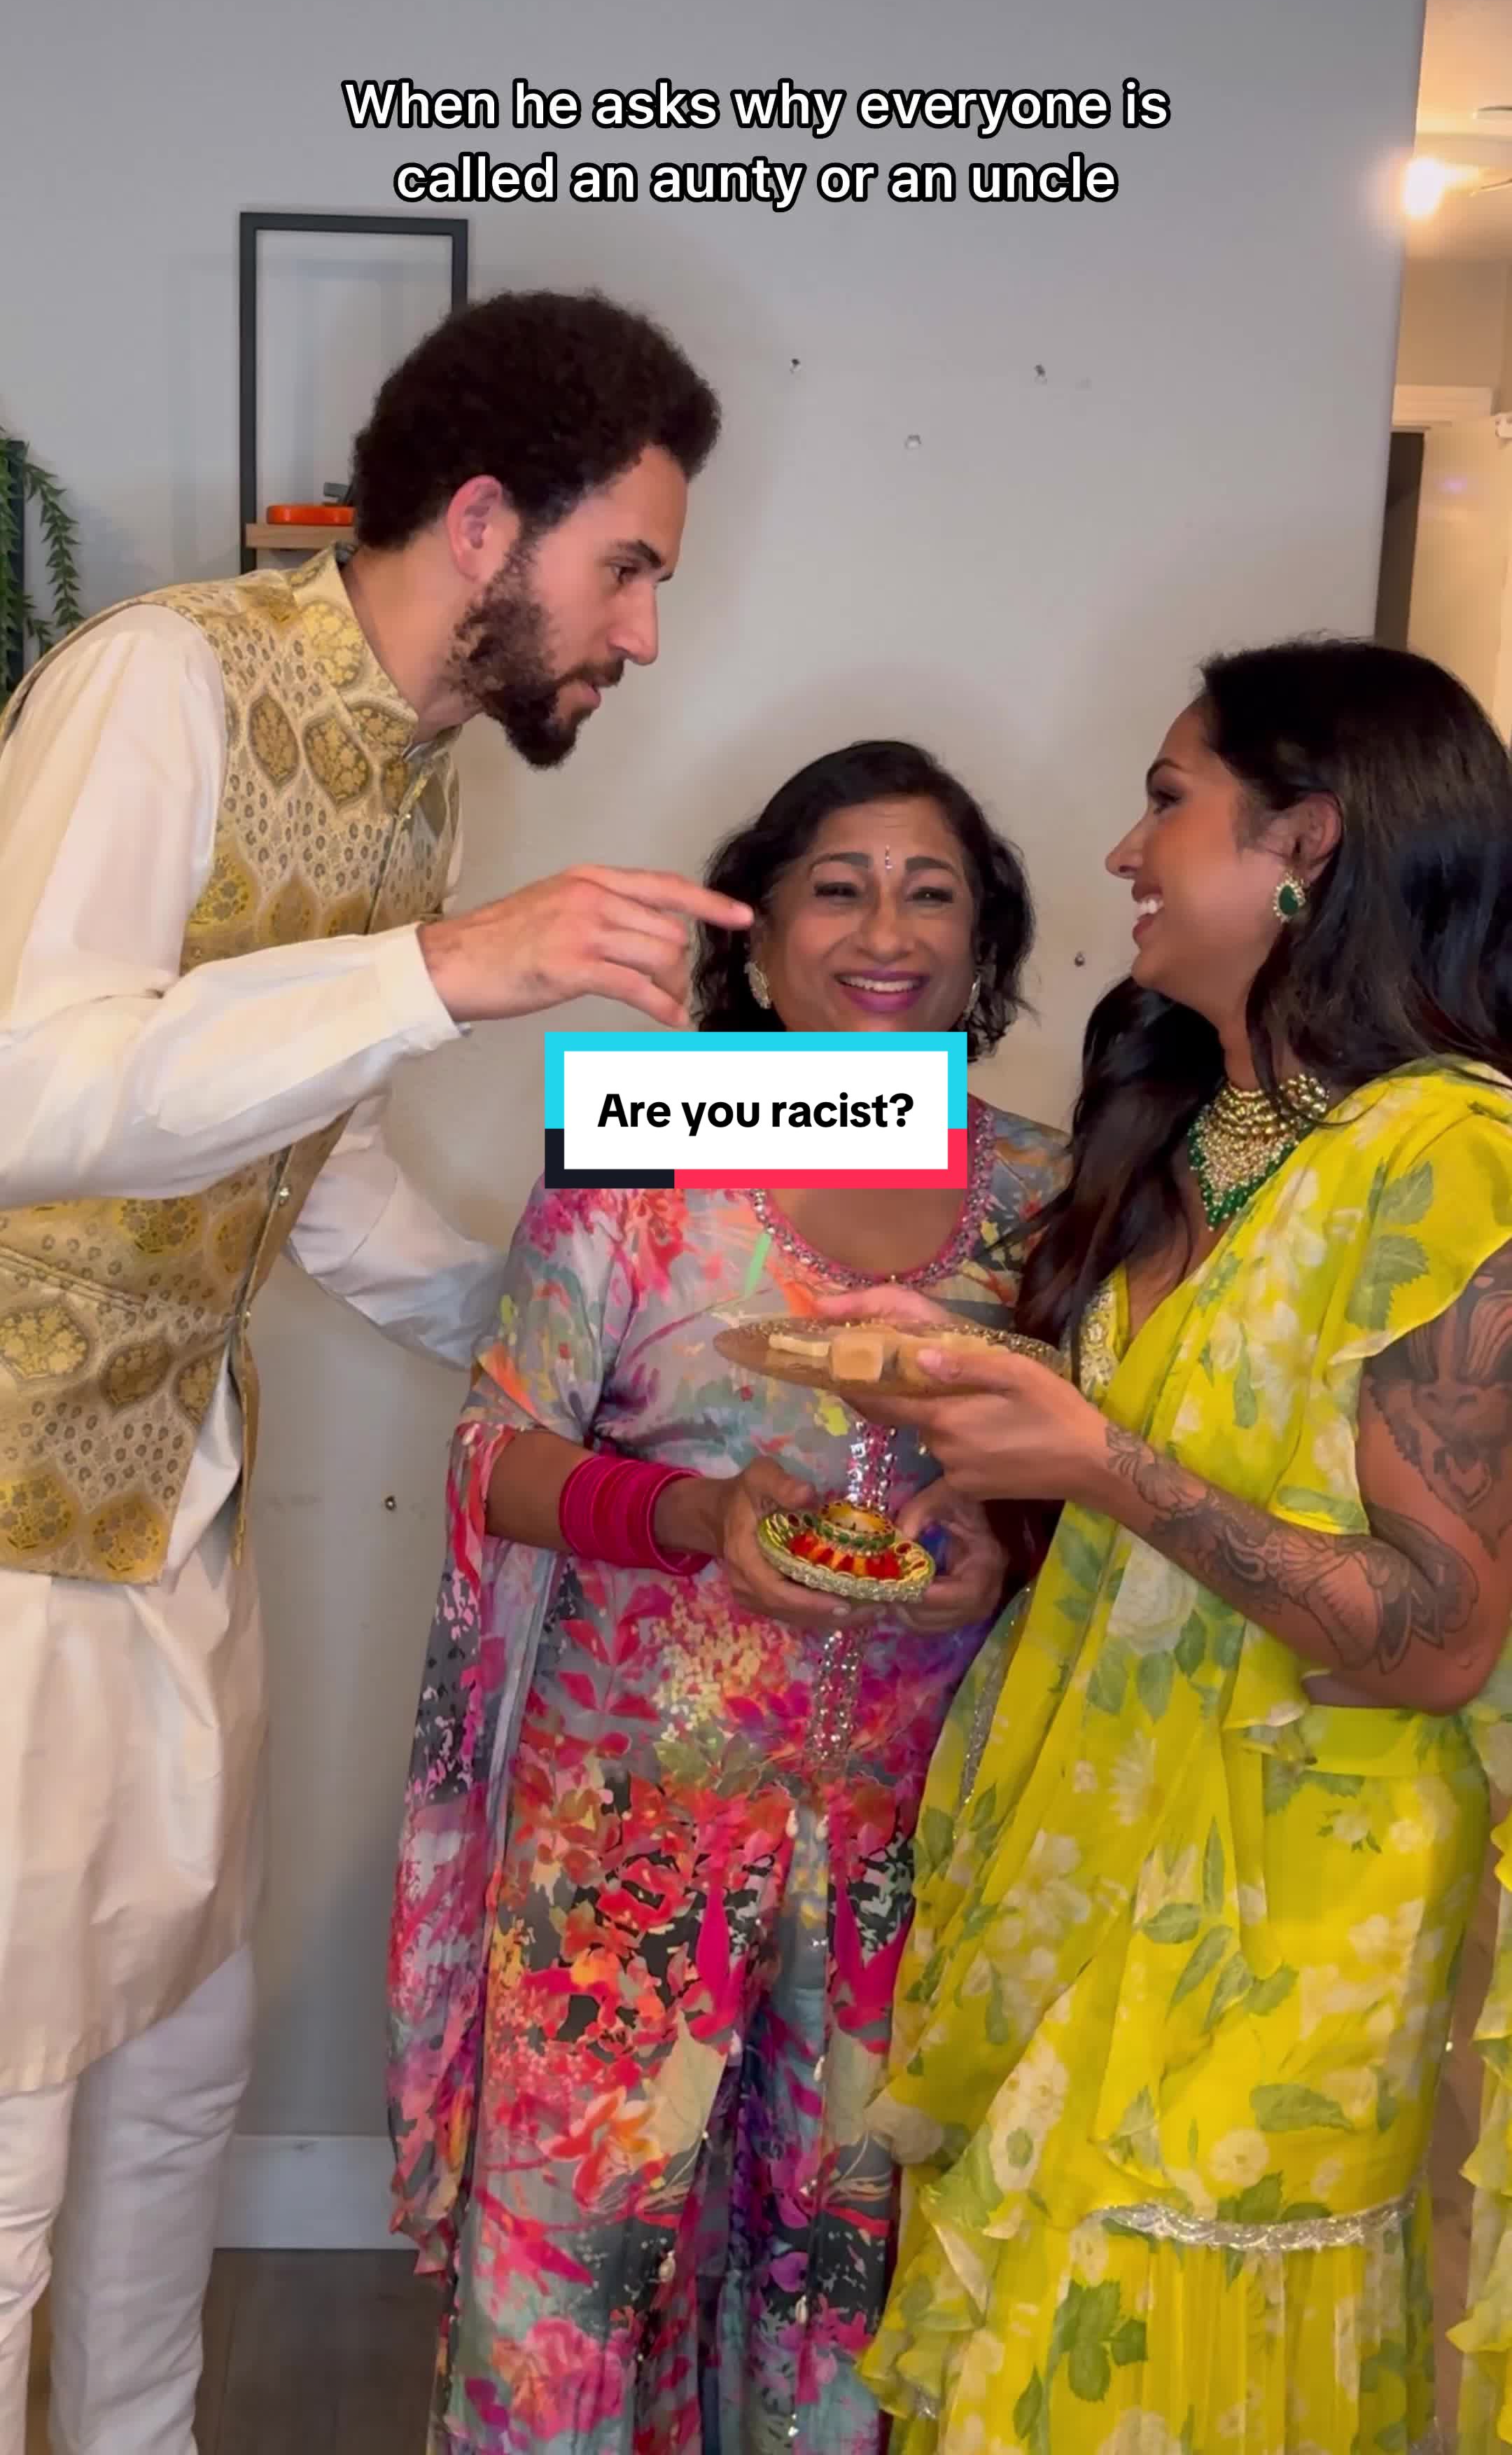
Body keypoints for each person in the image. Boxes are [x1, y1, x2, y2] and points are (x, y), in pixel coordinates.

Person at [0, 288, 750, 2455]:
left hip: (173, 1520)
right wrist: (439, 969)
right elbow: (34, 1087)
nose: (646, 633)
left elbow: (311, 1183)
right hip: (14, 1538)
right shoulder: (163, 680)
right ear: (489, 522)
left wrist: (594, 1335)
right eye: (630, 568)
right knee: (17, 2140)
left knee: (178, 2090)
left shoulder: (418, 793)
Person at [817, 642, 1512, 2455]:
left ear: (1307, 841)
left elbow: (1442, 1638)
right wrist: (999, 1424)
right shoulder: (1208, 1137)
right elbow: (1189, 1466)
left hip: (1277, 1937)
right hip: (1083, 1871)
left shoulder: (1445, 1156)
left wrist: (1101, 1465)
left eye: (1168, 800)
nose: (1125, 852)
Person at [386, 738, 1067, 2454]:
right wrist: (695, 1514)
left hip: (907, 1852)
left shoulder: (1042, 1193)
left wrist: (1016, 1544)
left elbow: (1098, 1489)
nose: (886, 931)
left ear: (985, 945)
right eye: (837, 889)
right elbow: (494, 1454)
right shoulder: (656, 1131)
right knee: (572, 2296)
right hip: (628, 1843)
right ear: (756, 943)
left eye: (932, 893)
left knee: (846, 2297)